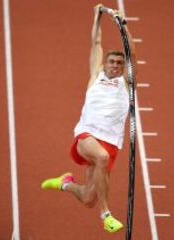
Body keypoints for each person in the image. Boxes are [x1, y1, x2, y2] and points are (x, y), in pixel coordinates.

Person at [41, 4, 136, 233]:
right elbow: (96, 43)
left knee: (87, 198)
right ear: (105, 64)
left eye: (119, 63)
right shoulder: (96, 76)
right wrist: (97, 16)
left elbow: (132, 53)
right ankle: (106, 215)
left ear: (124, 68)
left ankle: (65, 183)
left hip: (111, 142)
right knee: (101, 157)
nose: (115, 65)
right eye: (111, 62)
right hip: (87, 135)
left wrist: (124, 26)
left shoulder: (126, 83)